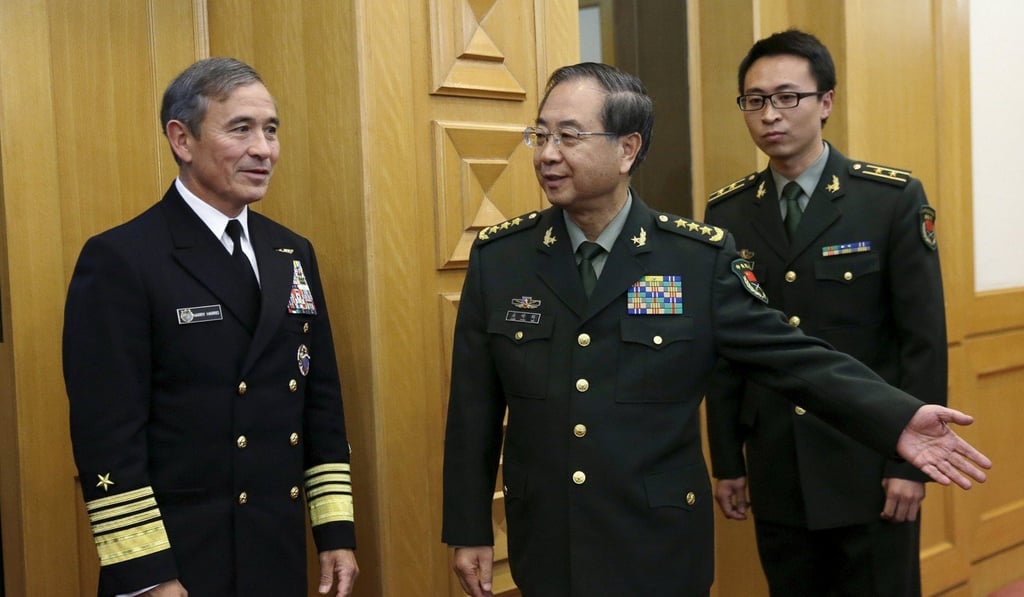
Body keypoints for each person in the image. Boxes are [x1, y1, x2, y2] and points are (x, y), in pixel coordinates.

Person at [440, 62, 989, 597]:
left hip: (657, 544)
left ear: (627, 149)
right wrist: (469, 527)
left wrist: (897, 418)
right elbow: (473, 408)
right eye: (540, 134)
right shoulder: (502, 257)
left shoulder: (694, 259)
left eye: (569, 135)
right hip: (548, 539)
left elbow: (793, 357)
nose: (547, 154)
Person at [63, 58, 357, 597]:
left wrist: (335, 531)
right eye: (240, 128)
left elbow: (319, 401)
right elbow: (108, 437)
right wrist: (148, 577)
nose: (264, 149)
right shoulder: (122, 259)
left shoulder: (290, 251)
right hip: (179, 563)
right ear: (182, 139)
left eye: (271, 130)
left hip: (277, 552)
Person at [704, 29, 944, 596]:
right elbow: (725, 352)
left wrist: (912, 467)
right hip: (778, 468)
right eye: (755, 100)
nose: (770, 115)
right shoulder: (728, 212)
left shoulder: (889, 199)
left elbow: (922, 343)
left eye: (788, 97)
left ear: (826, 102)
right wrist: (727, 460)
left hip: (869, 466)